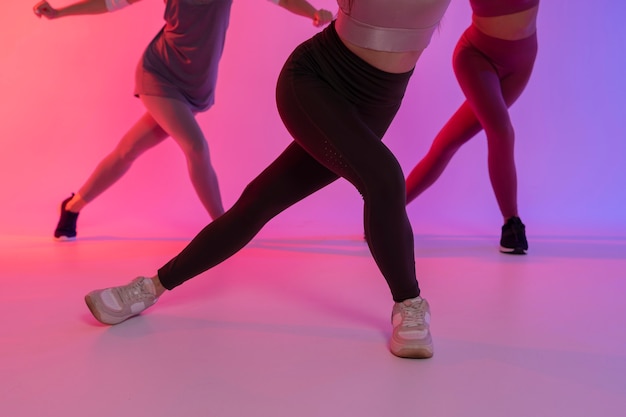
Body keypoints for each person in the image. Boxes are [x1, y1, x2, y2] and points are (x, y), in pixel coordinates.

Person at [84, 0, 452, 359]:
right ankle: (410, 303)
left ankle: (149, 287)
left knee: (260, 200)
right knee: (385, 178)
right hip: (315, 81)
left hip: (378, 102)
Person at [33, 0, 334, 241]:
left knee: (127, 152)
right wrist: (58, 12)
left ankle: (73, 206)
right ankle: (224, 226)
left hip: (193, 86)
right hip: (159, 74)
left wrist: (313, 12)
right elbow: (110, 3)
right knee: (196, 147)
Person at [405, 0, 540, 254]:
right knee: (501, 130)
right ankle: (511, 225)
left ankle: (387, 210)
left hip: (522, 62)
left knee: (447, 143)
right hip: (476, 58)